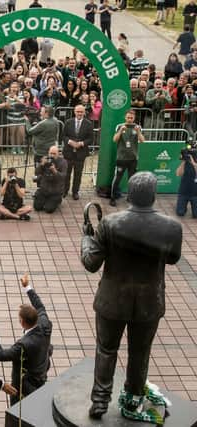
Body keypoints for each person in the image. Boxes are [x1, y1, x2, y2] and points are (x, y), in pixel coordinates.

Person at [81, 172, 182, 420]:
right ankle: (133, 398)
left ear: (130, 193)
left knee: (106, 350)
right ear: (153, 195)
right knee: (140, 352)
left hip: (112, 300)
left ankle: (100, 402)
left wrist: (86, 237)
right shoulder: (172, 227)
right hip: (149, 302)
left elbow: (91, 262)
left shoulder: (110, 224)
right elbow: (173, 259)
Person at [0, 273, 53, 404]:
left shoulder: (24, 345)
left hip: (25, 385)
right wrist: (27, 287)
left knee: (19, 410)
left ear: (22, 322)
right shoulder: (45, 324)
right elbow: (40, 306)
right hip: (41, 372)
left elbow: (1, 355)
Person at [110, 110, 145, 206]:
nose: (129, 119)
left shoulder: (137, 127)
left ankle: (130, 197)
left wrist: (138, 132)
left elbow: (142, 140)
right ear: (125, 117)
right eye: (128, 117)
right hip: (121, 157)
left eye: (131, 118)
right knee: (117, 177)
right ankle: (112, 198)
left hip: (133, 158)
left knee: (132, 179)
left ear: (134, 118)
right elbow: (115, 139)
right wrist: (121, 130)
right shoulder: (120, 126)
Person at [62, 104, 94, 200]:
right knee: (66, 173)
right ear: (74, 112)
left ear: (84, 112)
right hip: (68, 152)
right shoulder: (68, 122)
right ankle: (65, 190)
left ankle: (75, 192)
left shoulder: (89, 124)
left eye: (81, 112)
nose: (79, 113)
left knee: (78, 174)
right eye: (78, 111)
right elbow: (63, 136)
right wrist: (69, 141)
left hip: (81, 153)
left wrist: (82, 143)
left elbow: (91, 138)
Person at [34, 145, 67, 213]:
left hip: (55, 191)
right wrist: (41, 165)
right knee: (37, 207)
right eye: (51, 153)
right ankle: (46, 200)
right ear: (48, 153)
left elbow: (63, 177)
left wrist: (55, 171)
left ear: (58, 154)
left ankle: (57, 200)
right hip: (44, 190)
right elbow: (36, 173)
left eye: (54, 154)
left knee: (48, 209)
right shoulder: (45, 159)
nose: (52, 155)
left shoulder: (63, 162)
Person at [176, 149, 197, 217]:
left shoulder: (195, 164)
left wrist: (193, 163)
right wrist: (183, 161)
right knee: (180, 213)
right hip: (183, 192)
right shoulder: (184, 164)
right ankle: (183, 207)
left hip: (195, 194)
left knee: (196, 215)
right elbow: (178, 174)